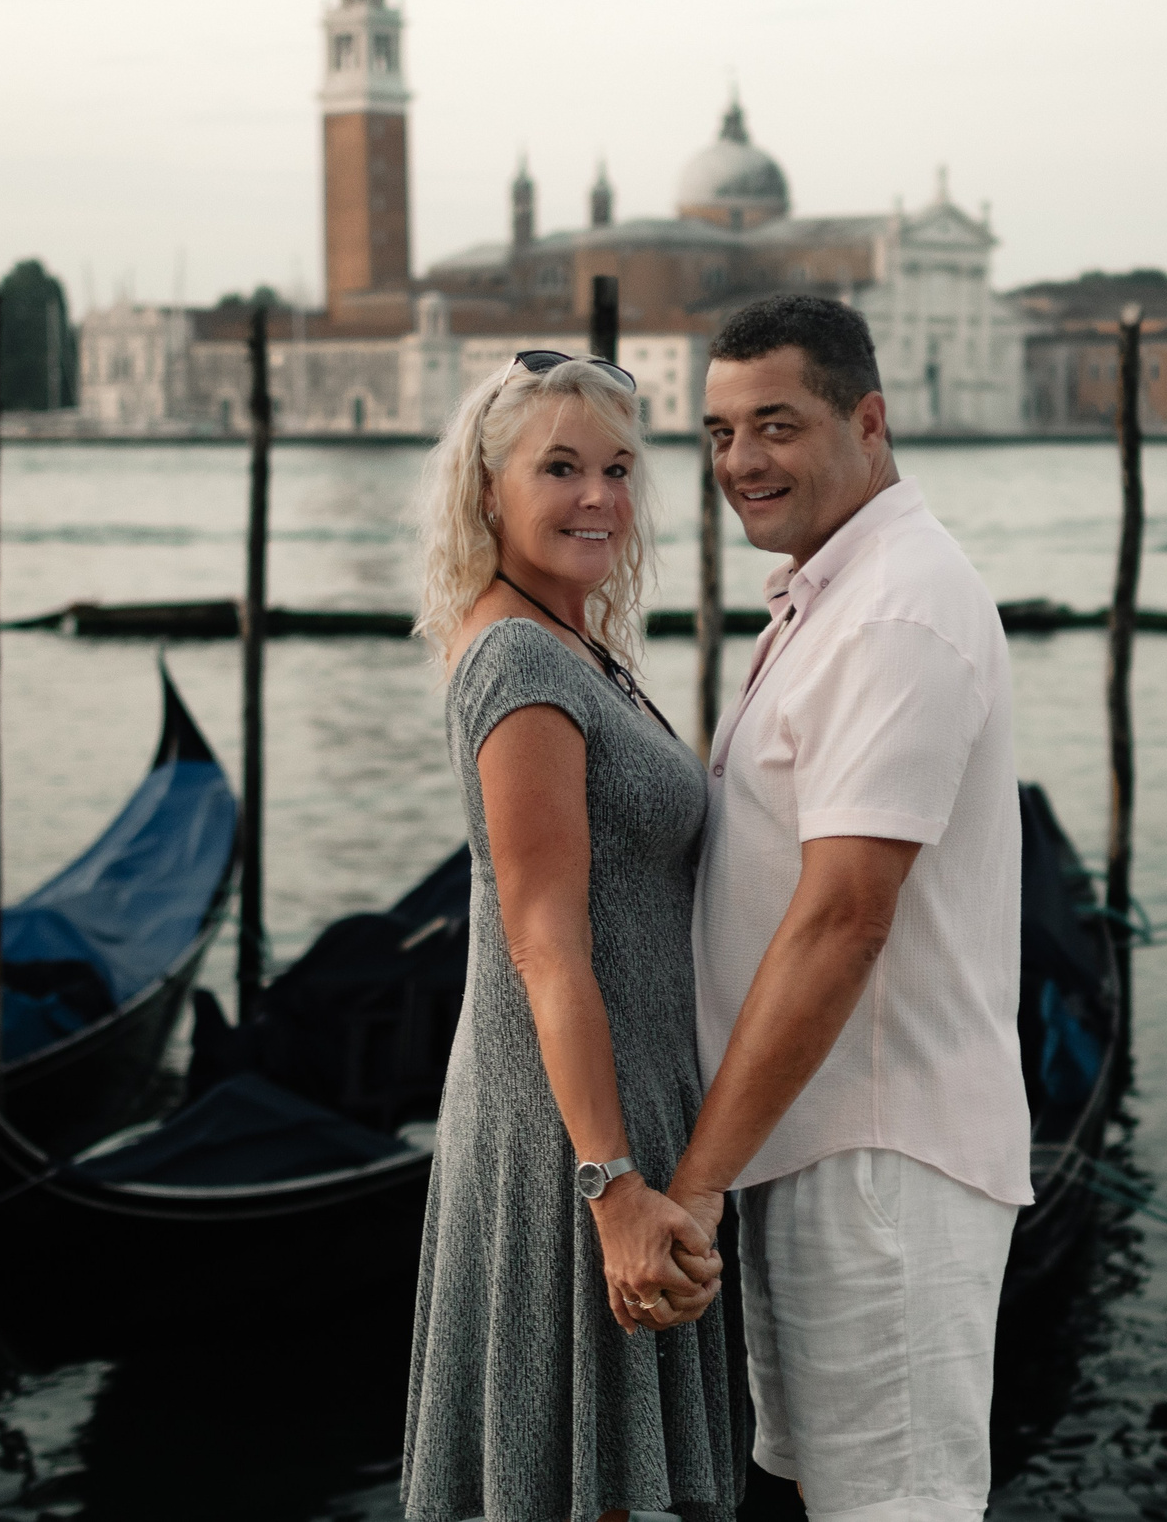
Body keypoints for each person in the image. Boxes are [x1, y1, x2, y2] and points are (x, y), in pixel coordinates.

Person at [667, 294, 1032, 1522]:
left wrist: (698, 1179)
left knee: (894, 1509)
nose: (740, 463)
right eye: (717, 434)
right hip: (814, 1144)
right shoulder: (835, 592)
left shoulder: (892, 616)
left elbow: (842, 921)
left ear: (867, 422)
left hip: (879, 1160)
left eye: (774, 426)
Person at [401, 352, 737, 1522]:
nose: (597, 495)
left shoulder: (573, 642)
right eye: (559, 469)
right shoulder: (518, 660)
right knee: (583, 1492)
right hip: (570, 1138)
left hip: (624, 1108)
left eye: (617, 469)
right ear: (488, 491)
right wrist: (610, 1186)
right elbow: (543, 939)